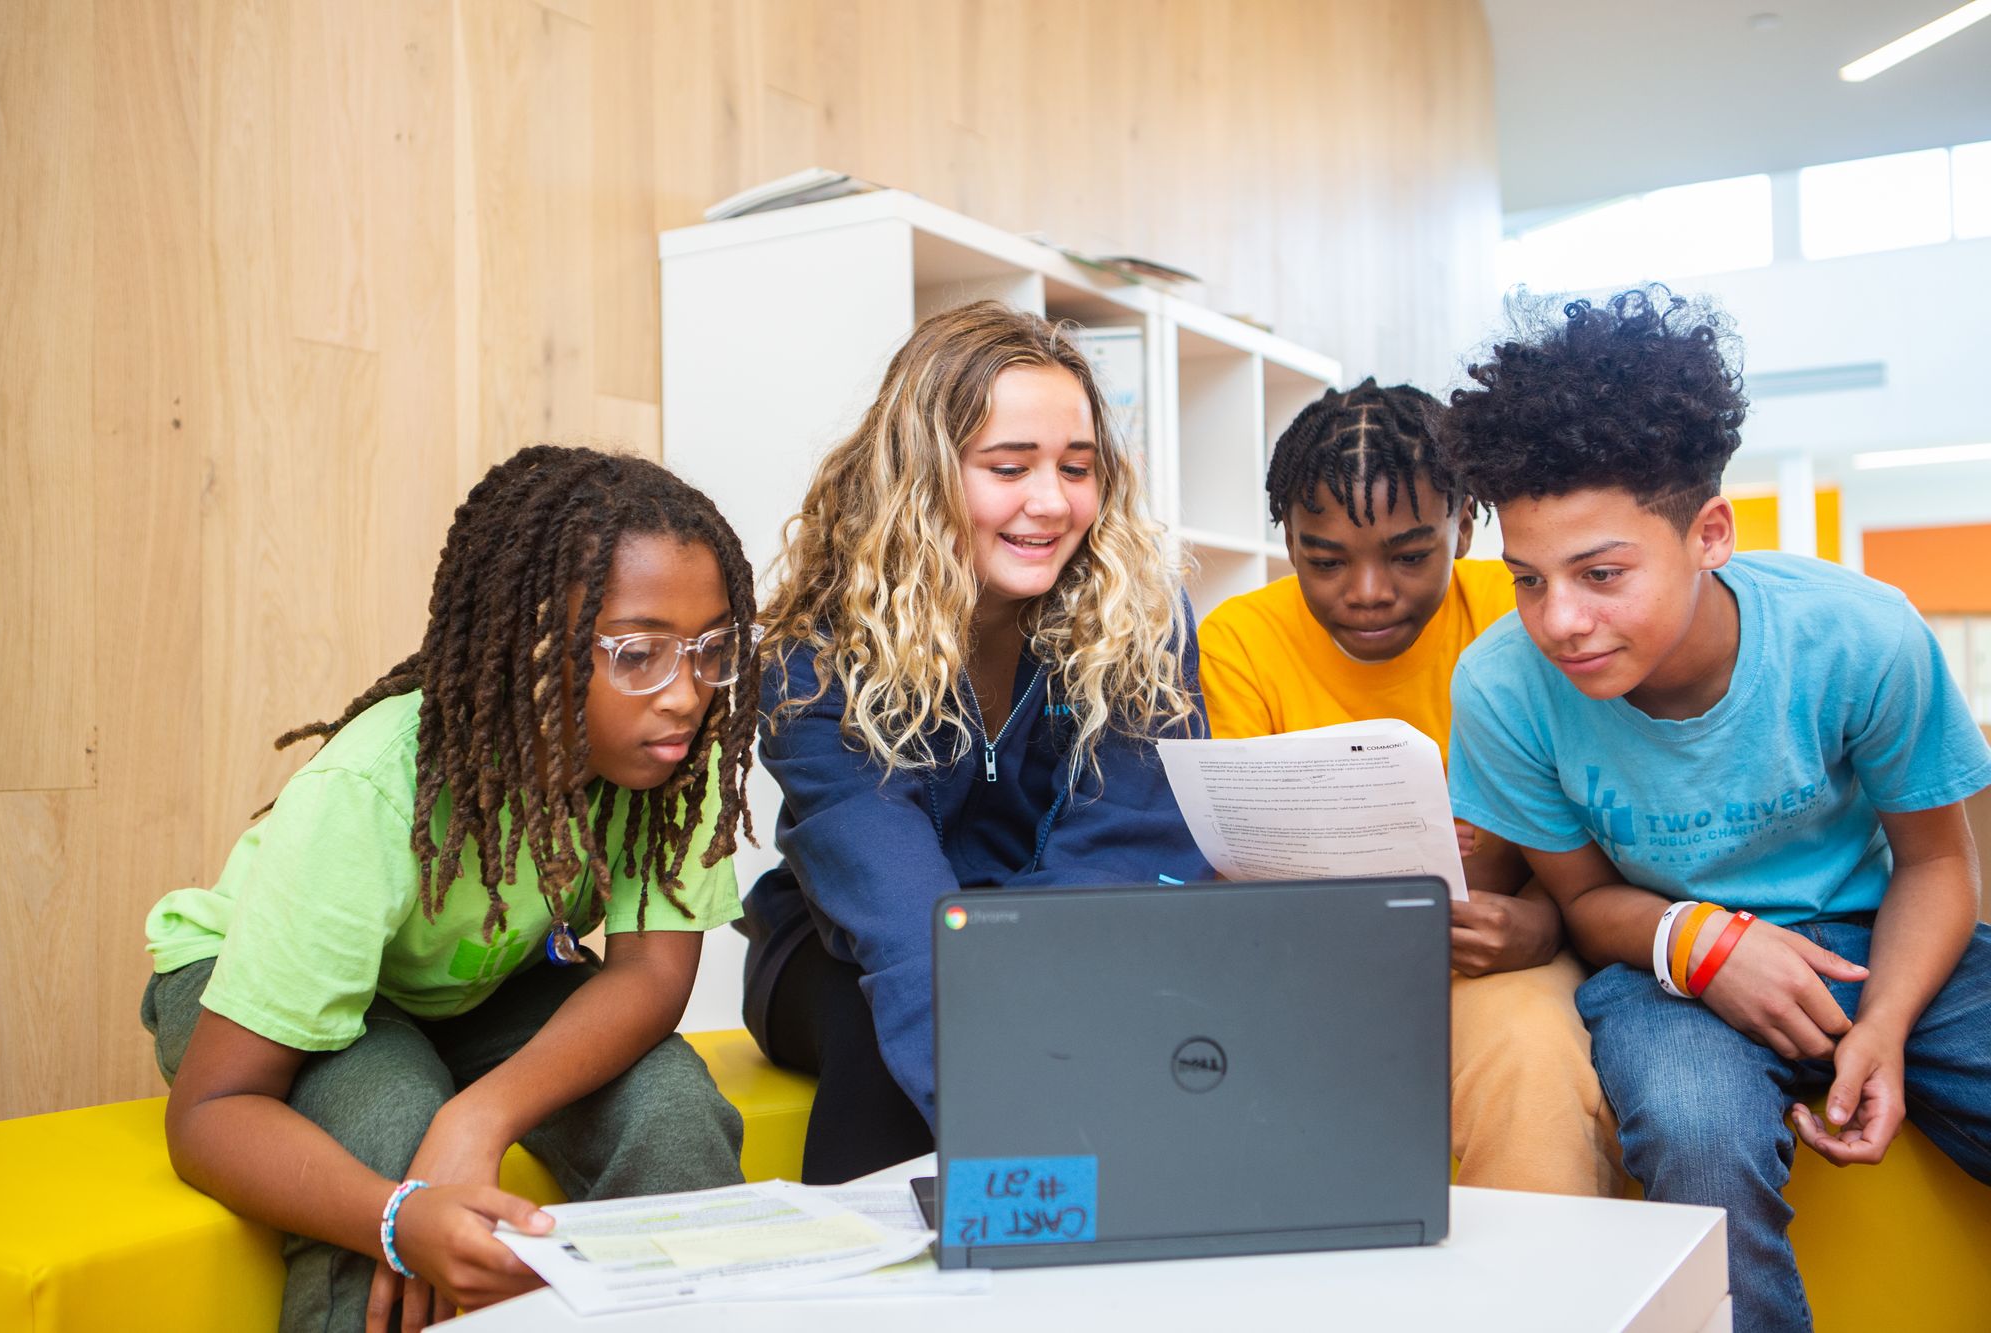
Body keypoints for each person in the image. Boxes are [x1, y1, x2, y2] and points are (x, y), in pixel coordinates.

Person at [1437, 286, 1991, 1333]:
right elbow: (1586, 899)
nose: (1559, 619)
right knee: (1693, 1128)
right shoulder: (1501, 686)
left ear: (1708, 533)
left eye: (1600, 573)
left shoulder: (1856, 636)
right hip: (1663, 966)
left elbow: (1933, 865)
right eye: (1524, 579)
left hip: (1877, 939)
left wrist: (1882, 1026)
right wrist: (1698, 942)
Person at [142, 445, 760, 1332]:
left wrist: (484, 1112)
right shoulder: (376, 786)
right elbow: (210, 1111)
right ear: (532, 647)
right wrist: (398, 1221)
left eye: (710, 651)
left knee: (673, 1108)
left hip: (477, 982)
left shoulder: (673, 758)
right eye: (637, 653)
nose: (687, 695)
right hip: (254, 987)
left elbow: (651, 977)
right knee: (397, 1125)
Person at [738, 300, 1215, 1183]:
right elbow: (899, 916)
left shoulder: (1141, 619)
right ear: (920, 475)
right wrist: (1011, 1140)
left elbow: (1129, 853)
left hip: (1052, 933)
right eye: (1008, 467)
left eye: (1078, 468)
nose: (1051, 501)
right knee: (879, 1029)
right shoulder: (814, 658)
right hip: (844, 947)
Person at [1196, 376, 1619, 1197]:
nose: (1367, 591)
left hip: (1492, 963)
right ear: (1286, 537)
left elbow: (1606, 825)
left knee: (1531, 1061)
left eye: (1410, 554)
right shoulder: (1241, 640)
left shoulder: (1526, 613)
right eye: (1324, 560)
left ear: (1465, 525)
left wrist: (1539, 923)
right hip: (1304, 962)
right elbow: (1232, 865)